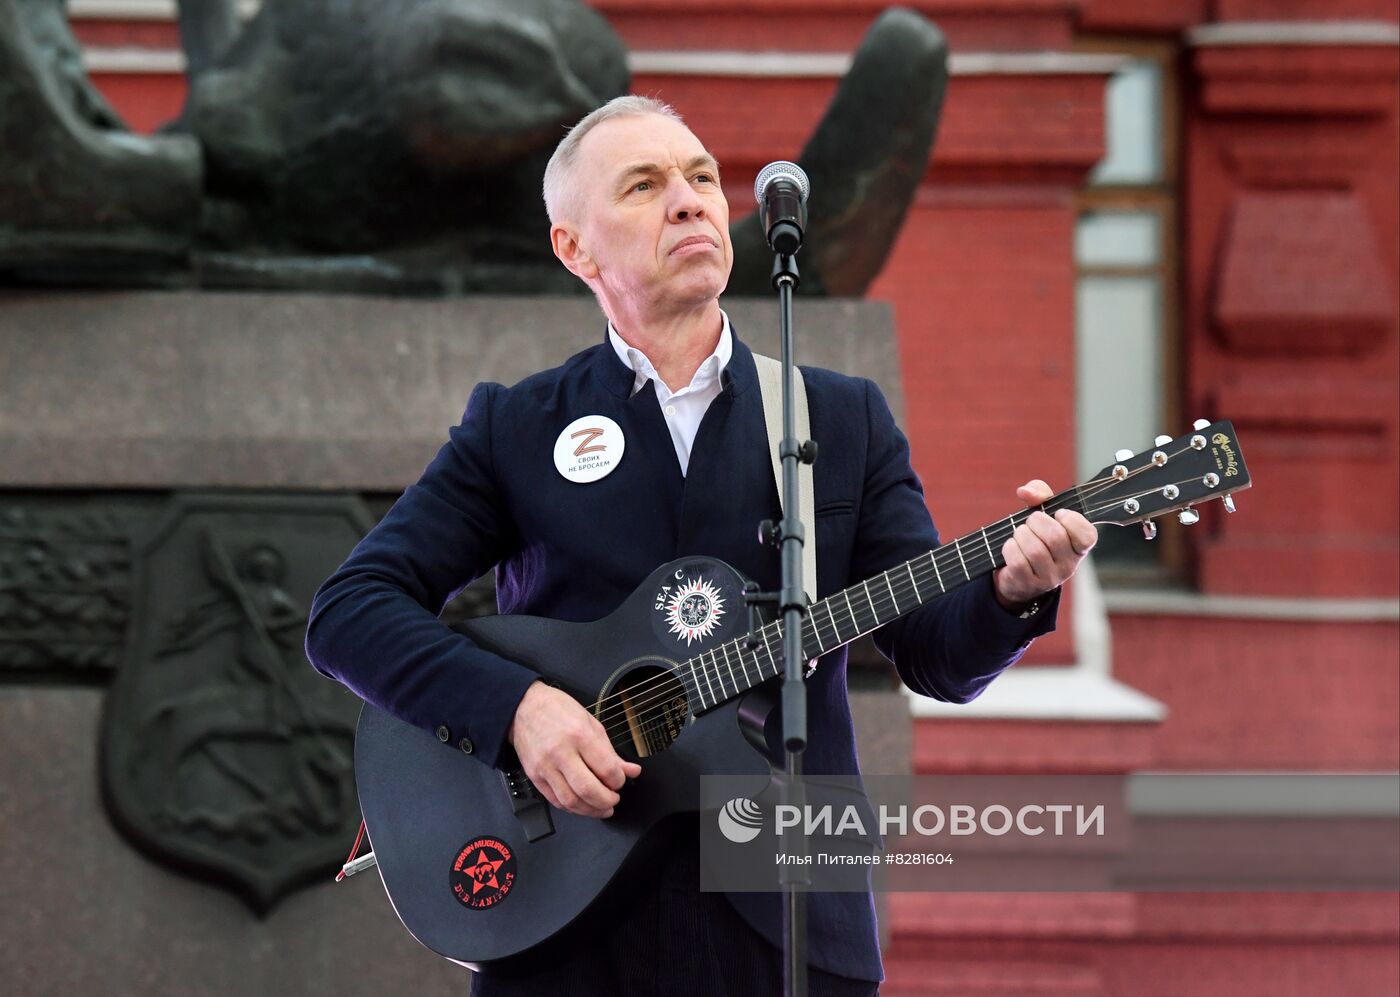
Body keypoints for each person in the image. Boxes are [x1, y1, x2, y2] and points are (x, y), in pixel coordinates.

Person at [305, 95, 1097, 996]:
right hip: (566, 919)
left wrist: (1010, 594)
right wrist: (518, 710)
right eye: (644, 185)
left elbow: (935, 655)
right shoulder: (517, 426)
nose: (688, 200)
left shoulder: (839, 418)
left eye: (702, 178)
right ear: (575, 248)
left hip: (788, 909)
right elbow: (348, 612)